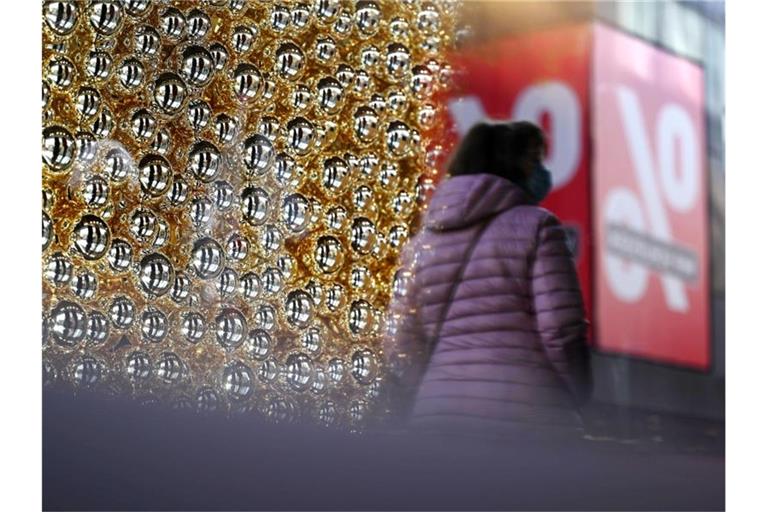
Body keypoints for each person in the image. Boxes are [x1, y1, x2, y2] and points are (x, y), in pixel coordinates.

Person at [384, 121, 591, 441]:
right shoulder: (538, 227)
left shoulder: (421, 244)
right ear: (509, 164)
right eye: (534, 161)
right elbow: (561, 328)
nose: (541, 172)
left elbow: (399, 340)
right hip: (526, 418)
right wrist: (577, 392)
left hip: (438, 423)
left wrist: (436, 387)